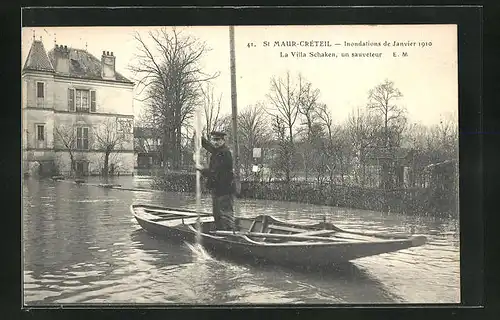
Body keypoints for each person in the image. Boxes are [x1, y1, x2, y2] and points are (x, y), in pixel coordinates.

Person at [195, 131, 236, 231]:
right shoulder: (218, 151)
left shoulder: (224, 153)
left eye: (218, 140)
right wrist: (199, 138)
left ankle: (228, 235)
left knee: (225, 215)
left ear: (223, 140)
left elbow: (216, 172)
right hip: (217, 189)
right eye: (213, 140)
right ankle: (221, 233)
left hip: (225, 190)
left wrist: (201, 169)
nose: (215, 142)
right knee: (217, 215)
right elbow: (209, 147)